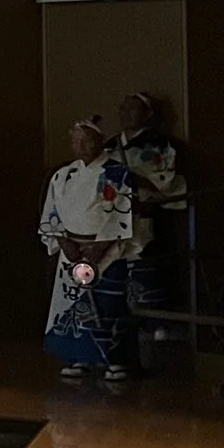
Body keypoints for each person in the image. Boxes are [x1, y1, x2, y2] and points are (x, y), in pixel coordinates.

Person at [42, 117, 140, 382]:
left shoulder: (116, 173)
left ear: (99, 141)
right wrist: (64, 242)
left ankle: (115, 361)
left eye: (86, 140)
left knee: (108, 305)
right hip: (70, 250)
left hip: (105, 249)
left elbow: (121, 213)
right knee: (74, 305)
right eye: (75, 141)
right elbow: (52, 212)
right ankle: (78, 358)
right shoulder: (63, 175)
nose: (80, 146)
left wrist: (98, 249)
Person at [107, 92, 187, 355]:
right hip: (113, 219)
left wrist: (137, 181)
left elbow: (165, 181)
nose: (126, 114)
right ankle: (118, 323)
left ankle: (153, 323)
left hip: (145, 216)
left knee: (147, 265)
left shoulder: (159, 143)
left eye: (134, 109)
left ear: (147, 114)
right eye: (123, 108)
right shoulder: (109, 146)